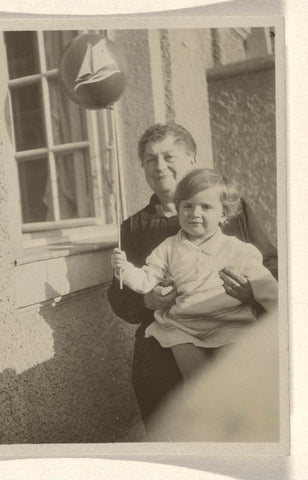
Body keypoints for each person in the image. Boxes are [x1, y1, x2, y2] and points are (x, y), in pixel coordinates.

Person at [107, 123, 278, 433]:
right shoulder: (133, 226)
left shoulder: (231, 210)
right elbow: (119, 294)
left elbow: (270, 263)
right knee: (175, 420)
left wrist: (250, 292)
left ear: (192, 158)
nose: (159, 166)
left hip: (232, 324)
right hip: (172, 333)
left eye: (169, 156)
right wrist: (148, 298)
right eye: (150, 159)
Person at [111, 168, 278, 381]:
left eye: (206, 207)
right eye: (187, 206)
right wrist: (124, 269)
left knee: (230, 377)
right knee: (196, 382)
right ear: (178, 207)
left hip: (228, 323)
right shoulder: (168, 248)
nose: (195, 213)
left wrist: (282, 322)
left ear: (223, 214)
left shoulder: (237, 250)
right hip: (183, 326)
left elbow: (268, 289)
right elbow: (147, 280)